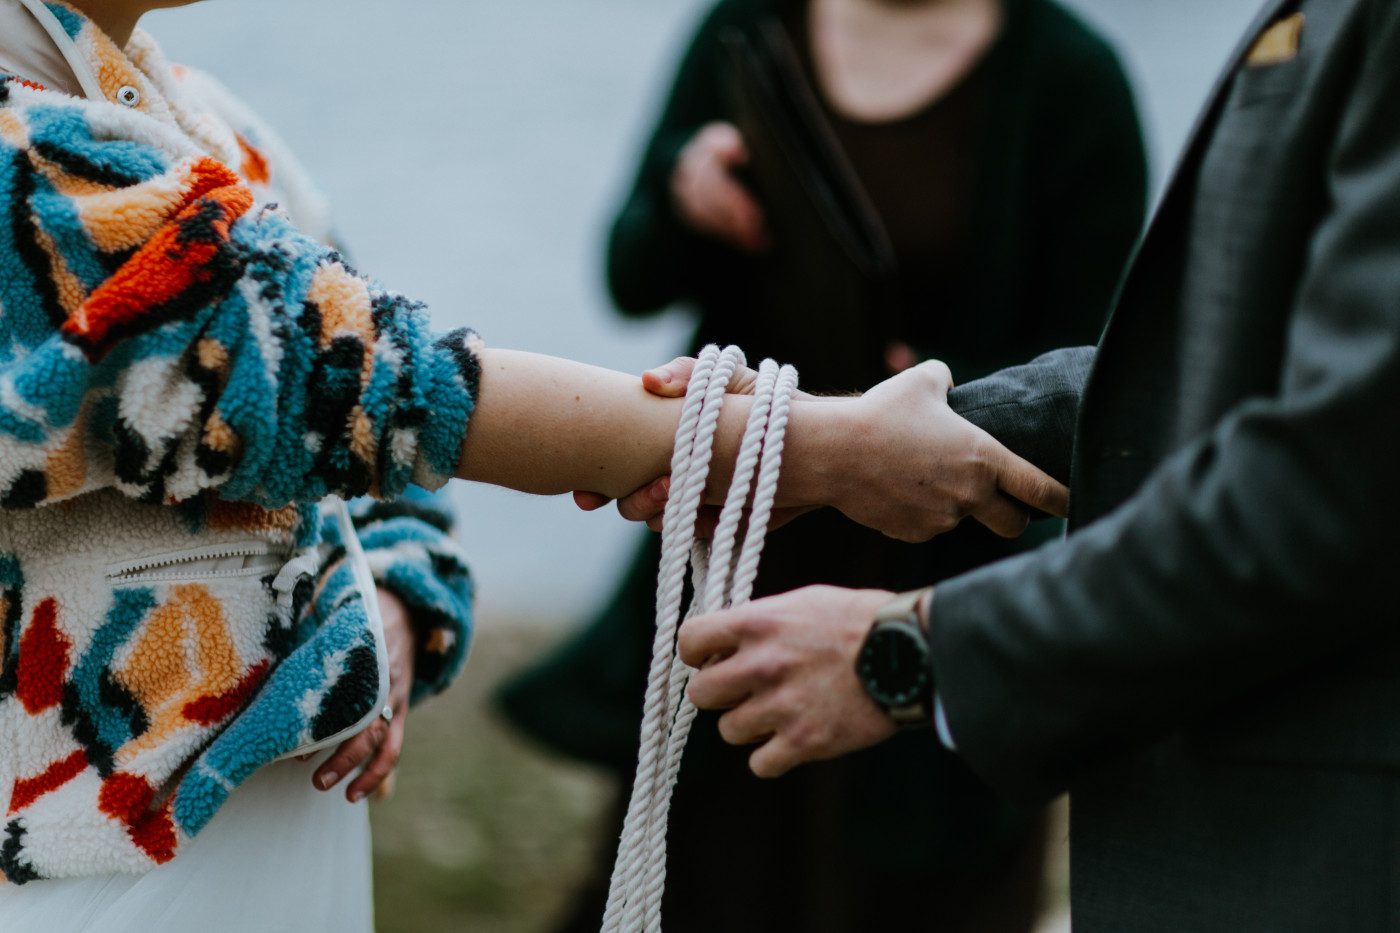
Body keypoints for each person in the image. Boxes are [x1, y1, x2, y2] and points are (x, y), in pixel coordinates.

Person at [0, 1, 1066, 930]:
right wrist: (805, 445)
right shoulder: (24, 149)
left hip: (289, 795)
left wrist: (399, 594)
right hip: (84, 838)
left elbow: (356, 408)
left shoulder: (205, 120)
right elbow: (353, 376)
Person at [613, 0, 1400, 929]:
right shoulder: (745, 26)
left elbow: (1331, 481)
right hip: (769, 548)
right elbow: (1192, 383)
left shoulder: (1069, 73)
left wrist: (909, 653)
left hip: (987, 584)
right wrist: (820, 447)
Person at [500, 0, 1145, 929]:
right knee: (693, 875)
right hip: (745, 544)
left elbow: (1103, 375)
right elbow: (630, 275)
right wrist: (682, 194)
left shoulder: (1072, 77)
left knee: (916, 893)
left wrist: (947, 401)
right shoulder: (747, 24)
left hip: (943, 548)